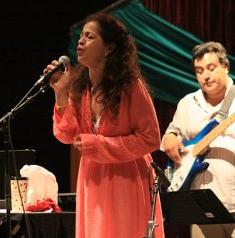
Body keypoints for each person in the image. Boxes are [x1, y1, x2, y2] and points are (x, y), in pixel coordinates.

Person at [45, 14, 165, 238]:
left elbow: (150, 138)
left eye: (89, 36)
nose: (80, 41)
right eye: (80, 36)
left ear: (108, 47)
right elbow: (66, 135)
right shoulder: (81, 87)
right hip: (93, 178)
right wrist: (61, 94)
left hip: (127, 179)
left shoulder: (131, 86)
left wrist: (99, 145)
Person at [160, 41, 235, 238]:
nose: (205, 76)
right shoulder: (187, 103)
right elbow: (172, 133)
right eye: (199, 71)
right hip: (203, 206)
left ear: (225, 67)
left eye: (211, 68)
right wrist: (170, 139)